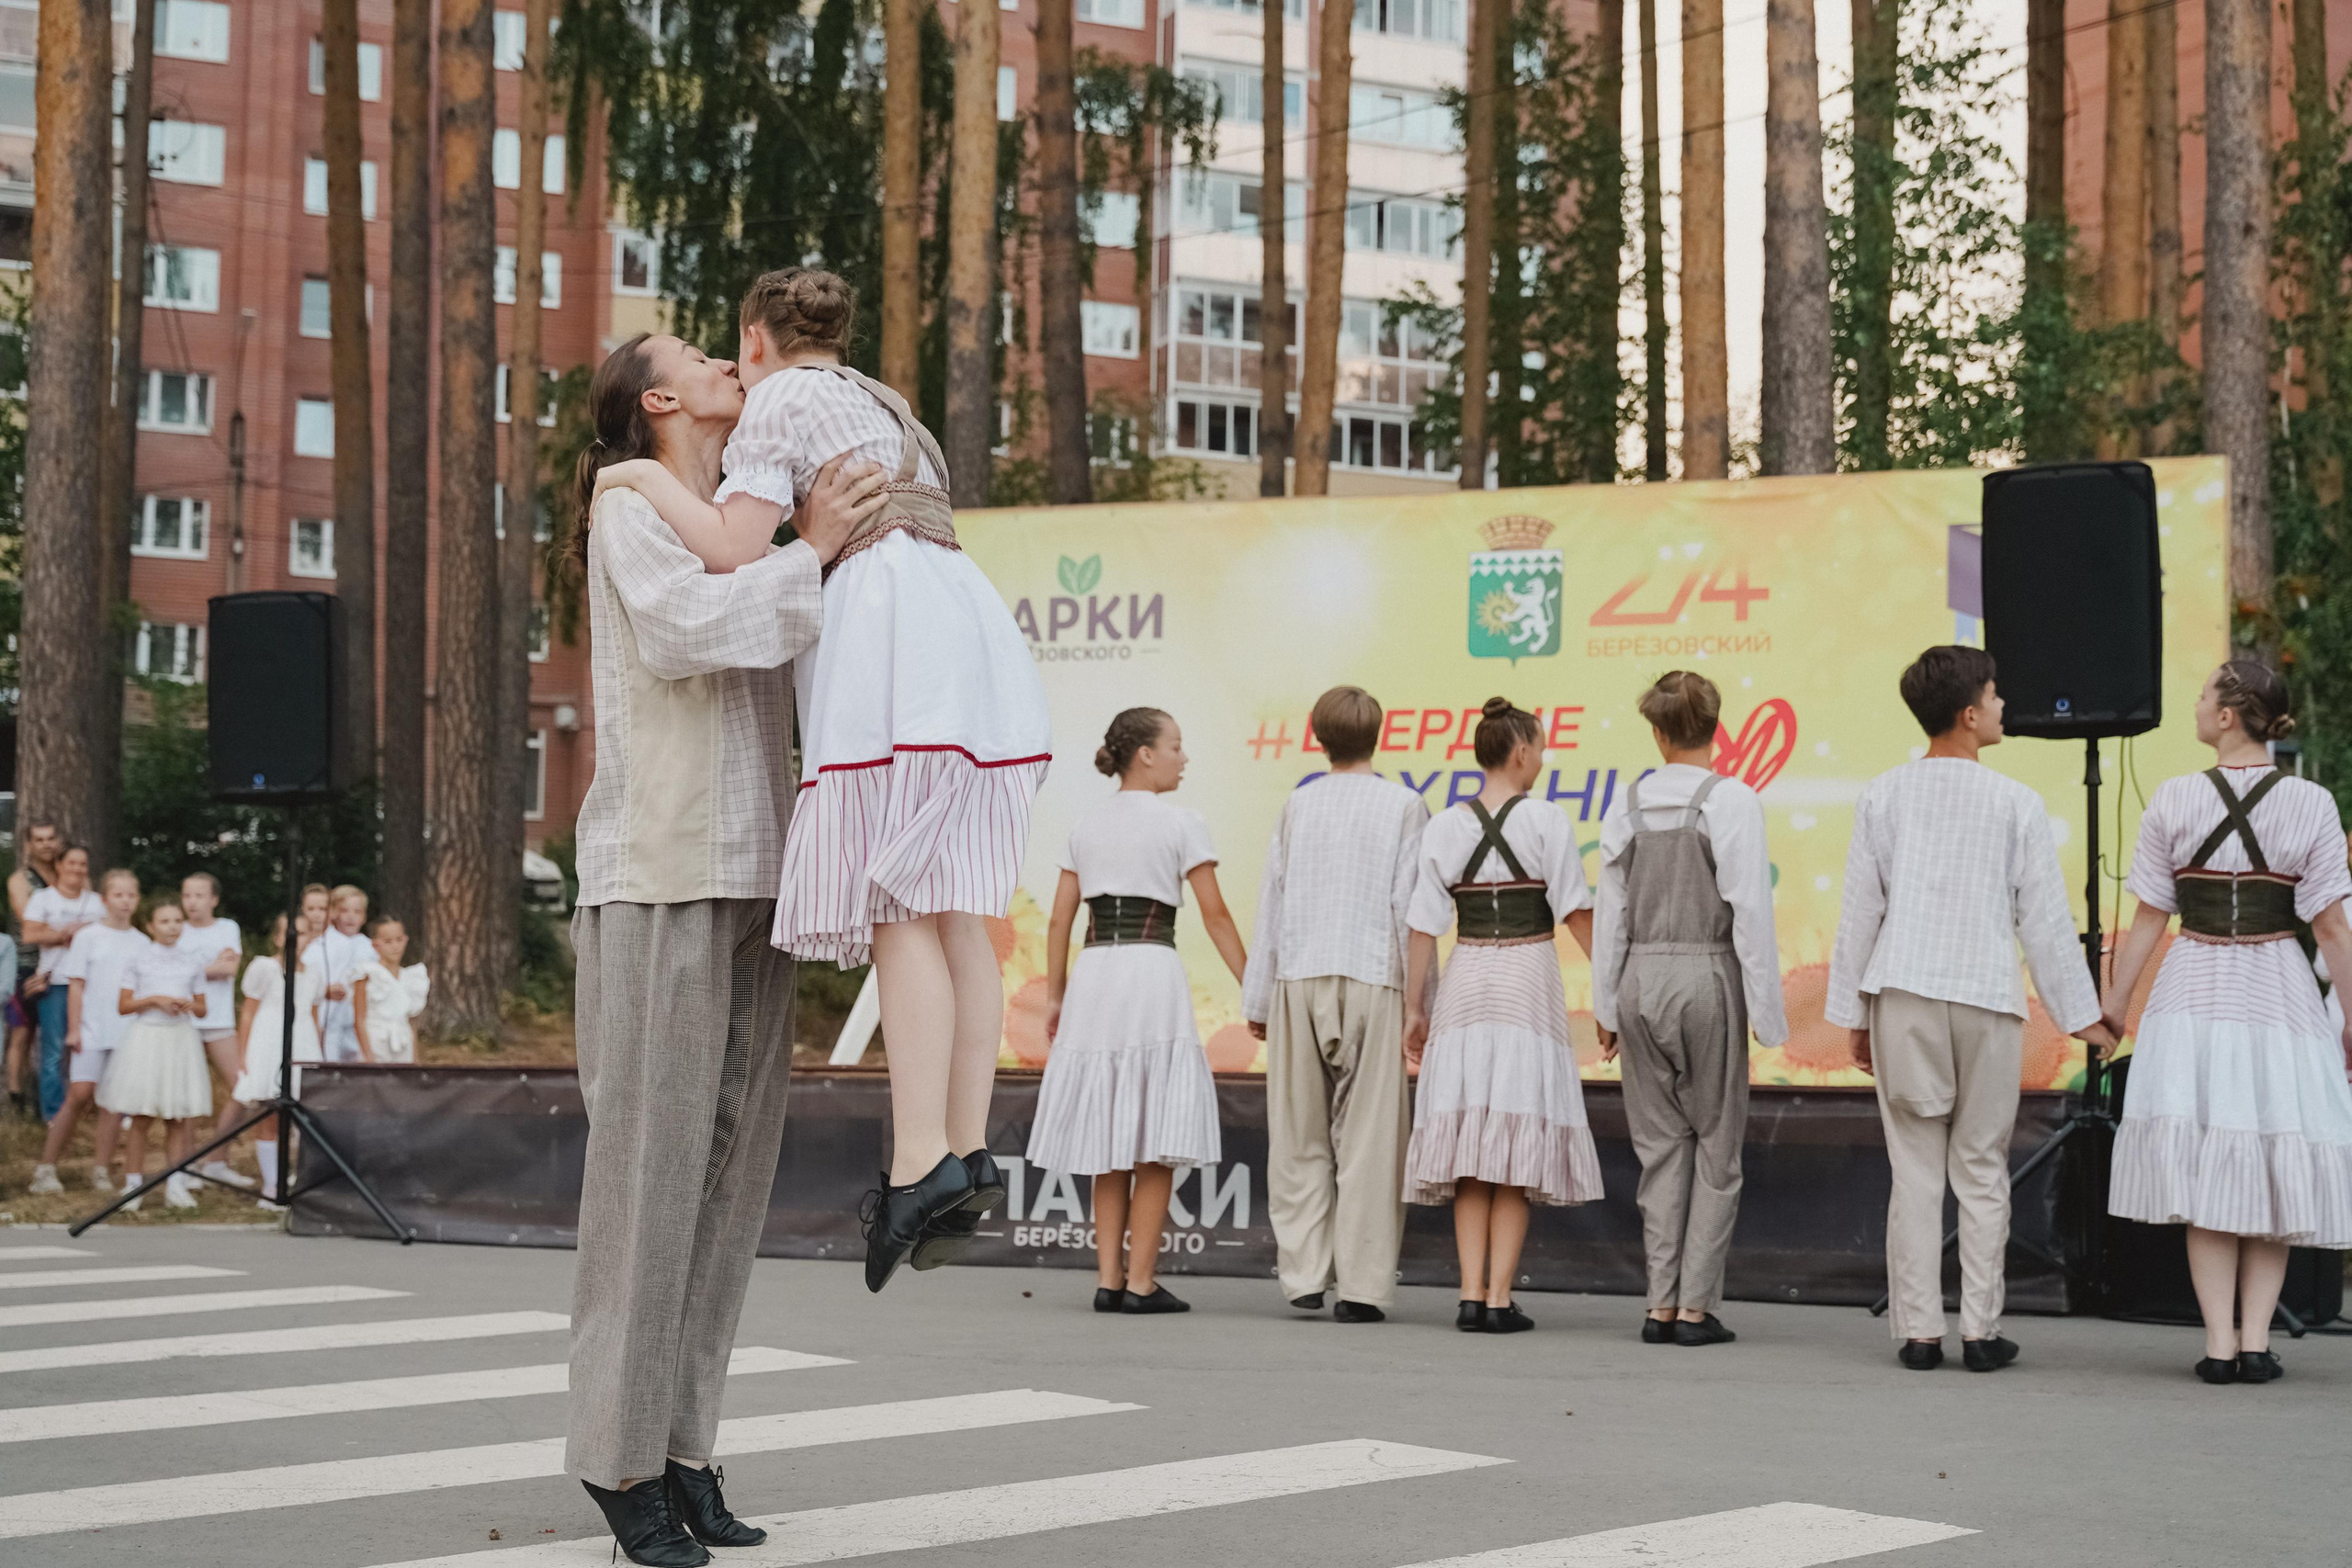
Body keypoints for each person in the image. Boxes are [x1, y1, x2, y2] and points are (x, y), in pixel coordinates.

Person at [592, 269, 1052, 1296]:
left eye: (729, 348)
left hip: (889, 646)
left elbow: (731, 548)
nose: (726, 366)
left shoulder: (781, 401)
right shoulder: (888, 406)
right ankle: (968, 1148)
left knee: (894, 902)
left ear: (758, 340)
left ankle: (916, 1165)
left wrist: (631, 479)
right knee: (955, 907)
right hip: (965, 633)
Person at [566, 329, 888, 1568]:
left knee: (727, 1190)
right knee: (647, 1186)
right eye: (703, 358)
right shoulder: (633, 503)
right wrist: (816, 546)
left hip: (762, 875)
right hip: (661, 875)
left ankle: (687, 1443)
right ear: (658, 398)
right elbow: (691, 633)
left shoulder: (730, 513)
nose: (725, 365)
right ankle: (619, 1454)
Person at [1828, 646, 2114, 1373]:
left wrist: (1854, 1014)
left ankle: (1919, 1332)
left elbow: (1860, 913)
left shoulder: (1884, 794)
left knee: (1916, 1171)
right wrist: (2082, 1013)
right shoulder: (2016, 802)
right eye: (1993, 695)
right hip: (1986, 995)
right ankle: (1982, 1331)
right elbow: (2046, 922)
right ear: (1967, 714)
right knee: (1982, 1168)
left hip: (1904, 993)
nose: (2001, 706)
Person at [2099, 661, 2352, 1385]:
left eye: (2205, 696)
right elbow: (2332, 926)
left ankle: (2216, 1343)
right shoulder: (2309, 802)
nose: (2197, 705)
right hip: (2278, 990)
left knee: (2208, 1165)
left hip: (2192, 993)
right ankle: (2255, 1341)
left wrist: (2115, 1006)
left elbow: (2150, 918)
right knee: (2271, 1159)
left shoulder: (2175, 798)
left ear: (2230, 715)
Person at [1031, 709, 1248, 1316]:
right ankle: (1142, 1281)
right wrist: (1253, 986)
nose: (1185, 757)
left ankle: (1107, 1278)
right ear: (1146, 755)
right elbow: (1216, 915)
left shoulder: (1086, 824)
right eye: (1176, 745)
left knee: (1108, 1133)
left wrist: (1056, 994)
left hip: (1098, 976)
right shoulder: (1183, 822)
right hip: (1152, 972)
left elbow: (1058, 919)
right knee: (1155, 1135)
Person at [1593, 671, 1787, 1347]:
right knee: (1716, 1147)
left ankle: (1658, 1302)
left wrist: (1605, 1004)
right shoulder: (1731, 800)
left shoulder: (1628, 802)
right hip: (1707, 972)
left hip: (1639, 977)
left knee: (1659, 1148)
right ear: (1716, 725)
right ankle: (1696, 1307)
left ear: (1656, 731)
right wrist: (1768, 1013)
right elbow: (1750, 912)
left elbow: (1611, 914)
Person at [1403, 698, 1604, 1334]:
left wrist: (1414, 1006)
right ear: (1520, 750)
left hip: (1465, 982)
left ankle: (1468, 1293)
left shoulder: (1444, 826)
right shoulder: (1546, 819)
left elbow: (1421, 927)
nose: (1543, 760)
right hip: (1525, 979)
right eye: (1541, 748)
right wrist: (1612, 989)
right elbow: (1576, 912)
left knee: (1470, 1144)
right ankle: (1497, 1296)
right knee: (1515, 1144)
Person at [1241, 685, 1427, 1324]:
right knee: (1372, 1140)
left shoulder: (1298, 804)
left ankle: (1303, 1275)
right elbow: (1411, 906)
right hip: (1375, 973)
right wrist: (1420, 1000)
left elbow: (1274, 898)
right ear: (1379, 733)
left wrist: (1258, 993)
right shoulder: (1406, 805)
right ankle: (1362, 1287)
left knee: (1298, 1136)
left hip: (1301, 970)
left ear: (1318, 735)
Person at [28, 868, 145, 1196]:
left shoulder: (142, 942)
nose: (124, 901)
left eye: (131, 895)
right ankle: (46, 1168)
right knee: (80, 1093)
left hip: (125, 1032)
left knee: (112, 1102)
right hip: (92, 1029)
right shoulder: (89, 937)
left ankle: (101, 1170)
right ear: (105, 900)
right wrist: (75, 1029)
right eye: (118, 895)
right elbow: (76, 985)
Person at [103, 897, 214, 1212]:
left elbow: (204, 1008)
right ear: (151, 926)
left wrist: (191, 1005)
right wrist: (154, 1000)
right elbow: (124, 1006)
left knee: (177, 1117)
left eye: (177, 921)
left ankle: (176, 1184)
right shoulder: (138, 960)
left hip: (180, 1040)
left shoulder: (192, 961)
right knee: (141, 1116)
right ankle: (133, 1184)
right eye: (165, 921)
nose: (172, 927)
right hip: (148, 1038)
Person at [227, 912, 325, 1207]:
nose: (297, 940)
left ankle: (297, 1177)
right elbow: (248, 1012)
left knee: (302, 1116)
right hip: (269, 1041)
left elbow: (315, 1016)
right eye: (289, 933)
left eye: (304, 933)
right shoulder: (265, 968)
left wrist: (317, 1054)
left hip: (303, 1043)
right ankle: (271, 1182)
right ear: (278, 937)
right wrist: (244, 1053)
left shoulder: (315, 974)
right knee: (270, 1113)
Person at [180, 873, 252, 1190]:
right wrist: (210, 967)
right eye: (187, 895)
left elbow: (230, 968)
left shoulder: (227, 928)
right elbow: (173, 974)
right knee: (188, 1096)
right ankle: (185, 1164)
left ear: (213, 900)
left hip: (219, 1020)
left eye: (199, 895)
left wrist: (190, 971)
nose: (192, 902)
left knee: (245, 1088)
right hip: (184, 1021)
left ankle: (217, 1160)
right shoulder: (176, 931)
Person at [22, 843, 100, 1125]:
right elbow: (29, 934)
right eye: (72, 863)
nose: (77, 869)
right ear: (59, 865)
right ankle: (53, 1115)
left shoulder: (96, 901)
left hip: (91, 984)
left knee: (93, 1045)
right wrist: (62, 934)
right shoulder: (43, 899)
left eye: (82, 864)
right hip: (55, 982)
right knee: (54, 1051)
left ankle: (94, 1109)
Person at [351, 916, 429, 1065]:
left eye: (399, 940)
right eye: (388, 942)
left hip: (402, 1043)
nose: (395, 946)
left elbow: (411, 1021)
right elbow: (359, 1019)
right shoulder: (367, 974)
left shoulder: (411, 977)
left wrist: (415, 1058)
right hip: (376, 1042)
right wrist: (368, 1056)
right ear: (375, 945)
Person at [310, 886, 373, 1065]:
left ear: (364, 916)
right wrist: (324, 990)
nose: (351, 916)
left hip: (359, 1019)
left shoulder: (369, 947)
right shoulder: (319, 946)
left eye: (357, 911)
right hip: (328, 1019)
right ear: (334, 913)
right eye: (344, 911)